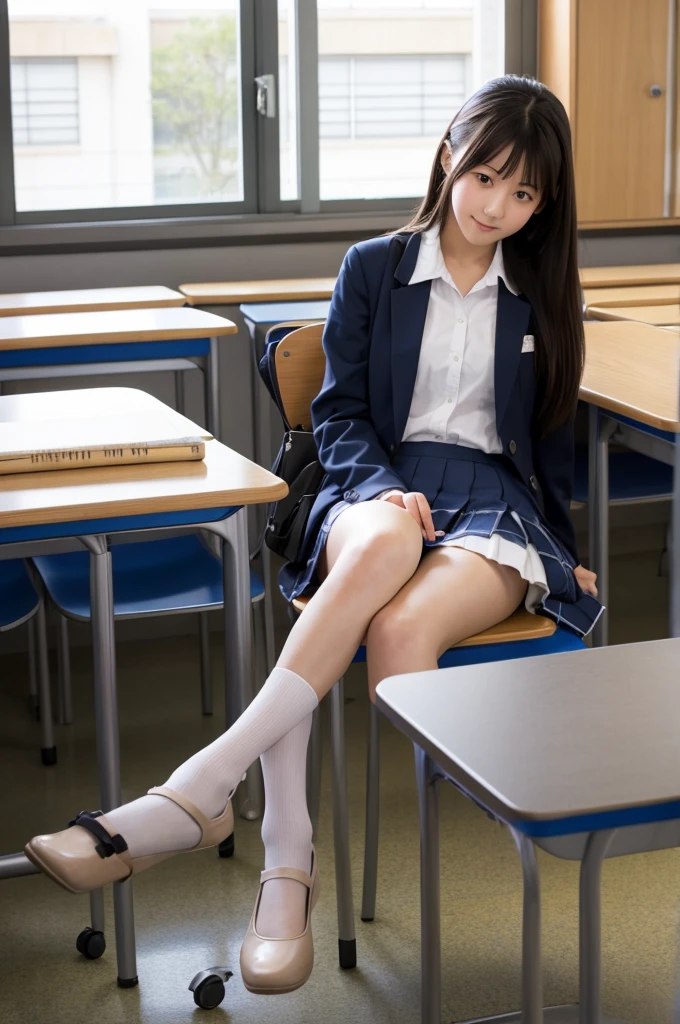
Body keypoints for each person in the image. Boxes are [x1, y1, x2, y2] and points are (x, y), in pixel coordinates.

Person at [25, 74, 602, 996]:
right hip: (372, 478)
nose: (499, 206)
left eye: (525, 192)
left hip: (491, 500)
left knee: (397, 634)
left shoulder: (539, 289)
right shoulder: (374, 266)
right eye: (487, 175)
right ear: (450, 153)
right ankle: (277, 861)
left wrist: (564, 546)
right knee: (378, 549)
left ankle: (216, 811)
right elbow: (336, 414)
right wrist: (382, 489)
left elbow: (549, 435)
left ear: (545, 201)